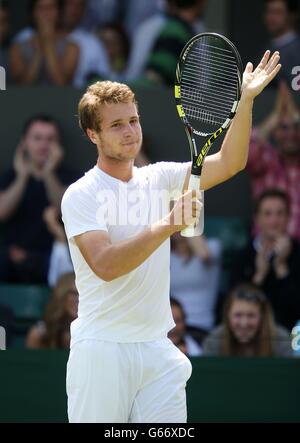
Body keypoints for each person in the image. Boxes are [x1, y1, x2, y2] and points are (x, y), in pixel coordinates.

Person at [61, 51, 281, 423]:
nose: (130, 131)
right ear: (92, 134)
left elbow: (231, 162)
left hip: (157, 349)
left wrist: (245, 102)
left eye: (133, 120)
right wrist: (167, 224)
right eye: (116, 125)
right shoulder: (80, 195)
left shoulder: (159, 177)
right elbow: (106, 265)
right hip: (101, 350)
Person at [0, 114, 79, 284]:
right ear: (24, 143)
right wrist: (22, 177)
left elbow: (64, 209)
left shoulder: (71, 178)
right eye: (37, 138)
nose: (43, 145)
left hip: (52, 260)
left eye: (50, 139)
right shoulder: (9, 177)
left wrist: (49, 173)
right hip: (10, 260)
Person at [231, 189, 300, 331]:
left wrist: (282, 268)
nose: (274, 221)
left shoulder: (298, 252)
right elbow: (233, 307)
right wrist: (259, 275)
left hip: (292, 333)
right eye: (267, 214)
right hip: (250, 334)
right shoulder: (243, 255)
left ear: (288, 217)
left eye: (280, 214)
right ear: (257, 218)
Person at [247, 80, 300, 240]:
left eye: (296, 127)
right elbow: (245, 151)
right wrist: (277, 115)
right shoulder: (267, 160)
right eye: (283, 127)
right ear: (275, 132)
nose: (290, 133)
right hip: (264, 249)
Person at [202, 284, 293, 357]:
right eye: (238, 315)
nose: (244, 323)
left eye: (251, 316)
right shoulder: (214, 341)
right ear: (228, 316)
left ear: (263, 317)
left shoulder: (281, 340)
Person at [9, 0, 79, 85]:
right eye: (41, 8)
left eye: (51, 8)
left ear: (59, 12)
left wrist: (48, 44)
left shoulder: (72, 48)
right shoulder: (17, 48)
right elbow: (24, 85)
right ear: (33, 13)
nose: (46, 13)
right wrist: (39, 49)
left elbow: (61, 84)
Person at [26, 272, 78, 349]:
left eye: (82, 294)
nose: (78, 299)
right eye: (73, 293)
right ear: (61, 295)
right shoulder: (40, 334)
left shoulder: (93, 332)